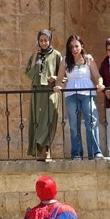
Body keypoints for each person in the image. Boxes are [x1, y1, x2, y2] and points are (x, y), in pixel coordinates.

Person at [51, 35, 106, 160]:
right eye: (71, 47)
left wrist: (100, 83)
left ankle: (95, 152)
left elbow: (97, 75)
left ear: (82, 46)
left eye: (76, 46)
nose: (74, 49)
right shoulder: (65, 61)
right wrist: (58, 86)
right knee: (74, 124)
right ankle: (76, 153)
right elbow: (59, 78)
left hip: (87, 93)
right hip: (71, 94)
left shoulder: (88, 59)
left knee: (91, 121)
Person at [24, 29, 62, 161]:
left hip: (50, 92)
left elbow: (64, 76)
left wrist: (55, 77)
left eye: (46, 40)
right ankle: (40, 151)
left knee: (49, 120)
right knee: (38, 120)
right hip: (37, 91)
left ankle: (46, 150)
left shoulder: (56, 55)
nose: (44, 43)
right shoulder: (36, 56)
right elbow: (29, 73)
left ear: (50, 40)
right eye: (41, 40)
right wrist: (35, 54)